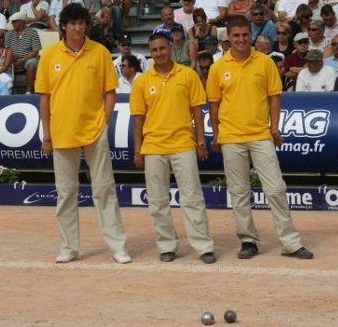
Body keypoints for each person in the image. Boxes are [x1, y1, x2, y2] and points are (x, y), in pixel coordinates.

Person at [206, 15, 313, 259]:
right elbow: (214, 104)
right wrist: (217, 133)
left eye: (245, 35)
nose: (241, 39)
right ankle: (248, 241)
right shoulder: (218, 67)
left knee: (275, 188)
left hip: (261, 135)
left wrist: (274, 129)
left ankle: (290, 243)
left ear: (250, 36)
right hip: (231, 137)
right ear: (228, 38)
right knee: (239, 192)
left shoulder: (264, 62)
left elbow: (275, 97)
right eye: (236, 36)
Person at [35, 3, 131, 265]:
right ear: (63, 26)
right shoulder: (50, 55)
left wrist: (104, 122)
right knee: (66, 192)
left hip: (94, 132)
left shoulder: (99, 52)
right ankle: (69, 247)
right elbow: (44, 98)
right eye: (72, 23)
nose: (77, 28)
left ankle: (117, 247)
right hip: (61, 132)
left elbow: (110, 91)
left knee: (104, 190)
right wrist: (47, 135)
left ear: (86, 25)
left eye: (81, 23)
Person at [130, 30, 215, 264]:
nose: (159, 53)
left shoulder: (188, 75)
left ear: (171, 48)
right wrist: (138, 150)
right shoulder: (142, 82)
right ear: (151, 53)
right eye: (154, 50)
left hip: (183, 145)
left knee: (192, 198)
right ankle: (167, 245)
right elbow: (138, 119)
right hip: (154, 147)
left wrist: (200, 142)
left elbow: (198, 112)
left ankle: (203, 246)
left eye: (162, 48)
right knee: (157, 201)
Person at [5, 12, 41, 94]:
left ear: (21, 22)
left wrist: (23, 59)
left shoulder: (33, 32)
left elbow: (36, 51)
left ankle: (28, 91)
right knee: (5, 64)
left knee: (31, 65)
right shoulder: (9, 34)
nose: (12, 23)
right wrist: (12, 60)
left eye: (14, 21)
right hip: (12, 58)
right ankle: (8, 91)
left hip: (28, 58)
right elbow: (6, 49)